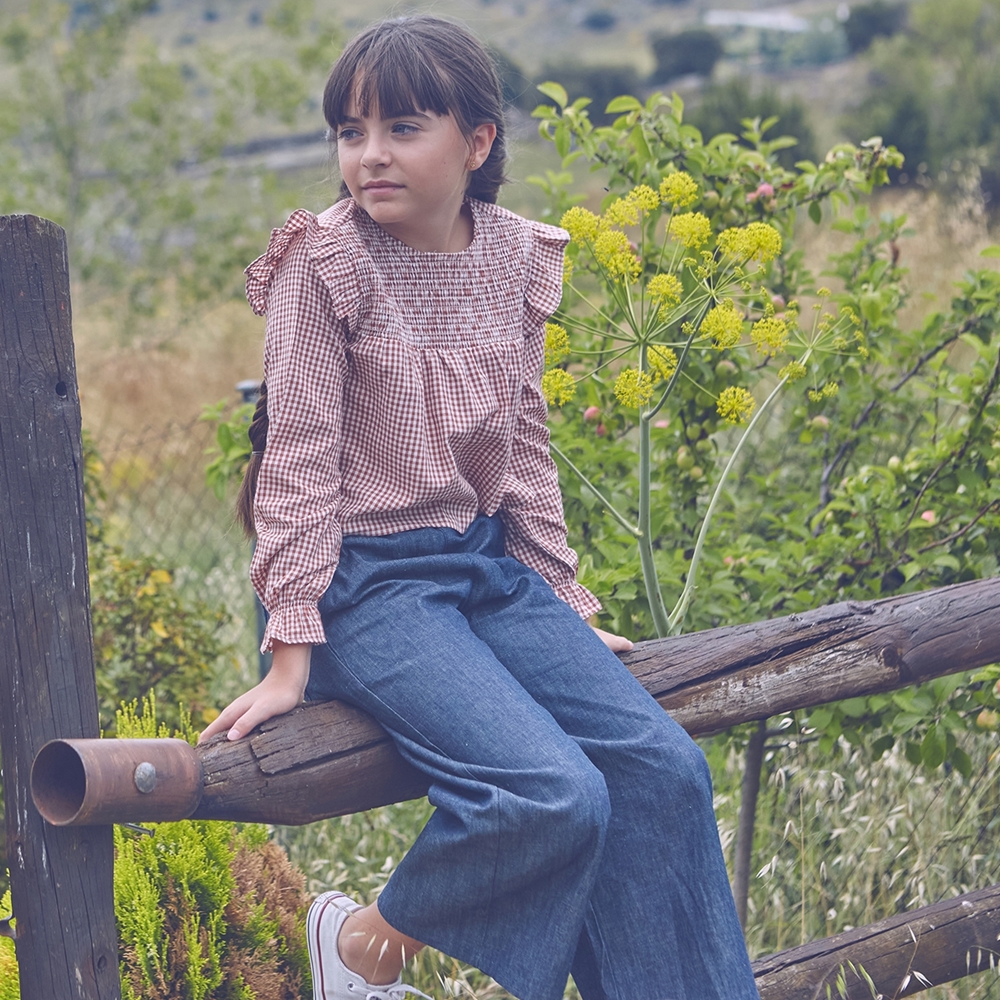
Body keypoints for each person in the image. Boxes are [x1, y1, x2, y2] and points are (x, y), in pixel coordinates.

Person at [200, 15, 760, 1000]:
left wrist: (565, 610)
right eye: (349, 130)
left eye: (402, 127)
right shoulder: (321, 264)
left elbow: (523, 449)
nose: (368, 155)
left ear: (477, 141)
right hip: (362, 588)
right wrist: (291, 652)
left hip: (484, 571)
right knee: (550, 794)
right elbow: (294, 463)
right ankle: (364, 942)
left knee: (663, 774)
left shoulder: (514, 258)